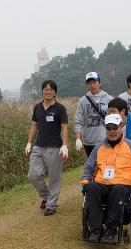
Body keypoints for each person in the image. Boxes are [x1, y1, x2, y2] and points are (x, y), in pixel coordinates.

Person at [81, 114, 131, 244]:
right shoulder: (99, 147)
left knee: (118, 189)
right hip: (102, 183)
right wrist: (85, 180)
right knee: (91, 187)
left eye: (115, 128)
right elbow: (89, 167)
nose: (112, 131)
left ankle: (111, 230)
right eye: (109, 128)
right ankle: (96, 229)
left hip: (122, 184)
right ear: (105, 129)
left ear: (121, 128)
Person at [25, 80, 69, 216]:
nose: (48, 92)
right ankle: (46, 196)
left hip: (55, 148)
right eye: (45, 89)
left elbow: (64, 127)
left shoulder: (60, 109)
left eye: (50, 89)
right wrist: (29, 143)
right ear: (42, 91)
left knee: (54, 178)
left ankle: (51, 205)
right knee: (33, 175)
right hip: (38, 147)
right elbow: (34, 126)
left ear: (55, 92)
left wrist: (65, 145)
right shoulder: (37, 107)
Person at [75, 72, 113, 157]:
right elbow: (78, 121)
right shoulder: (83, 101)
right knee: (93, 168)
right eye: (89, 83)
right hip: (89, 142)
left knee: (105, 167)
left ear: (100, 83)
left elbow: (117, 119)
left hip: (106, 140)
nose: (92, 86)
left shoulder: (109, 99)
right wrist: (78, 139)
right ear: (87, 85)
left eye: (95, 82)